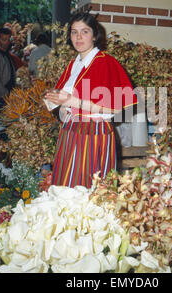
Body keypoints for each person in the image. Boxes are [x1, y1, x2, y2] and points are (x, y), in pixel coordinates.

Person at [45, 12, 137, 188]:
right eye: (74, 32)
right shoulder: (75, 64)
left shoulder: (106, 63)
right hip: (71, 130)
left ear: (95, 35)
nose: (78, 37)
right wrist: (59, 104)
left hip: (93, 133)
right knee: (66, 186)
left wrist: (72, 101)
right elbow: (67, 101)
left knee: (87, 190)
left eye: (84, 31)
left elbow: (114, 109)